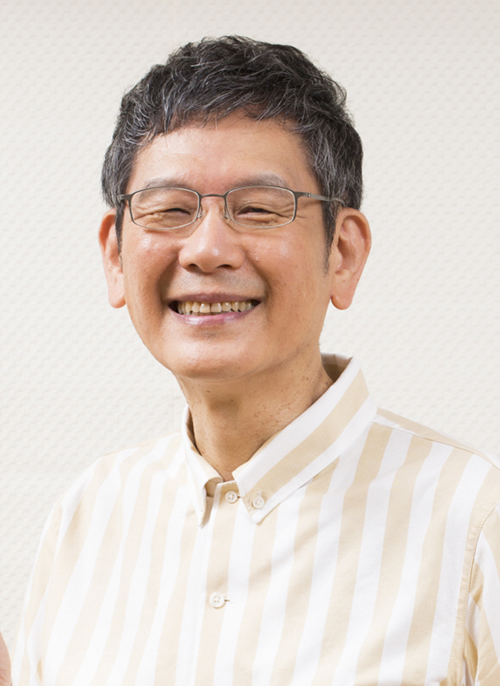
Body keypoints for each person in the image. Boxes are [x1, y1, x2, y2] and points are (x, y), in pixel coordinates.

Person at [6, 36, 500, 685]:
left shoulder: (473, 518)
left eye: (259, 210)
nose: (207, 250)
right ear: (115, 257)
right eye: (169, 210)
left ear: (343, 254)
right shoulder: (88, 515)